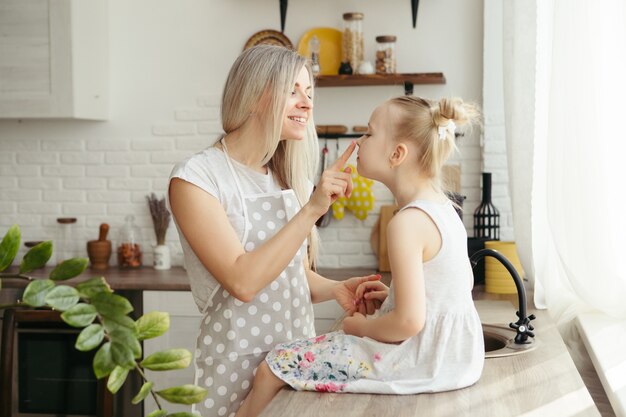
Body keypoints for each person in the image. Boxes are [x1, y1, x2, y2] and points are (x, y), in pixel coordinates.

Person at [236, 95, 485, 417]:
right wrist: (393, 298)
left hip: (419, 361)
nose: (359, 141)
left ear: (397, 154)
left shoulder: (406, 224)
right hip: (457, 359)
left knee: (272, 367)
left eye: (368, 133)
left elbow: (409, 322)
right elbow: (451, 289)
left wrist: (360, 328)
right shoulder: (444, 209)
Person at [168, 45, 381, 417]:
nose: (306, 103)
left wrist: (335, 289)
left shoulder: (280, 176)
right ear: (254, 95)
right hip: (233, 369)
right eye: (293, 90)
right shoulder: (196, 178)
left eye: (310, 93)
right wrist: (313, 208)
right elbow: (243, 281)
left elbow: (288, 273)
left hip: (293, 363)